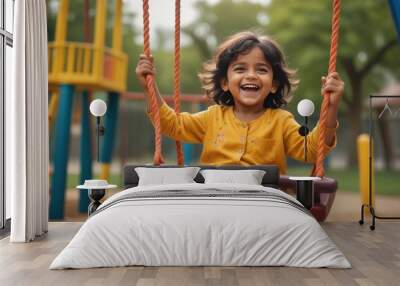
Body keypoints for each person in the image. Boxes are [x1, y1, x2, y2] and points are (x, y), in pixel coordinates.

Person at [135, 31, 344, 174]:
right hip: (216, 197)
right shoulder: (212, 117)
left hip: (264, 201)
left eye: (261, 69)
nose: (251, 75)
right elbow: (172, 124)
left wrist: (332, 107)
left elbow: (311, 150)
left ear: (273, 84)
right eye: (240, 69)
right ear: (225, 82)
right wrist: (149, 88)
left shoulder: (280, 121)